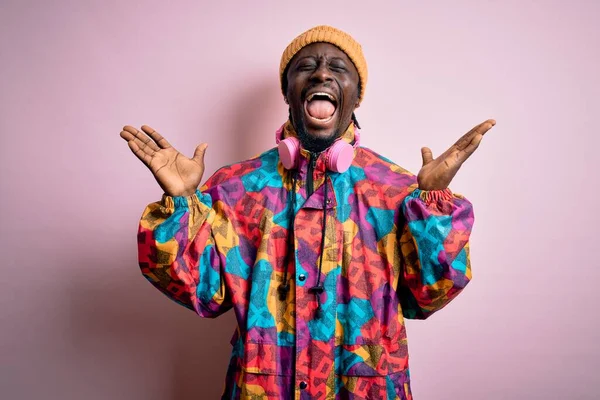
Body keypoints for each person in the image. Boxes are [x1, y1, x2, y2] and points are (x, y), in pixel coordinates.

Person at [120, 25, 495, 400]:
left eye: (338, 67)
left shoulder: (396, 190)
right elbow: (202, 292)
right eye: (306, 66)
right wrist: (181, 205)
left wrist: (433, 205)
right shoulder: (235, 188)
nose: (321, 74)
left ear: (356, 95)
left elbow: (429, 294)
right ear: (287, 91)